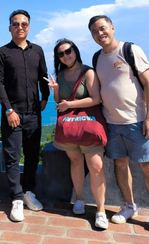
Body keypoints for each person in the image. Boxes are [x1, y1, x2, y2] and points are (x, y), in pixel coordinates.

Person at [88, 15, 149, 240]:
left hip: (136, 121)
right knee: (120, 164)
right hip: (111, 123)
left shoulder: (130, 50)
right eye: (94, 31)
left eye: (102, 28)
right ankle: (129, 205)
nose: (99, 33)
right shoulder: (97, 57)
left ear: (112, 27)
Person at [45, 39, 108, 229]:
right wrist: (55, 91)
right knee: (75, 161)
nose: (65, 56)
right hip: (71, 130)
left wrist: (70, 104)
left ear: (76, 51)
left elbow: (96, 99)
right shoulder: (61, 74)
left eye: (68, 51)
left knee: (96, 166)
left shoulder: (88, 72)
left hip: (89, 128)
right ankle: (79, 199)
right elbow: (59, 101)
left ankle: (101, 210)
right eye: (61, 54)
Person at [0, 9, 50, 222]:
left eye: (24, 23)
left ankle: (28, 192)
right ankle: (16, 198)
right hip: (12, 114)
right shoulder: (2, 52)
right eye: (15, 24)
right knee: (12, 157)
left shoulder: (37, 50)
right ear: (10, 27)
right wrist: (8, 110)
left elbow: (43, 76)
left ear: (29, 26)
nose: (20, 27)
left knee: (33, 154)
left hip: (34, 113)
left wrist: (45, 97)